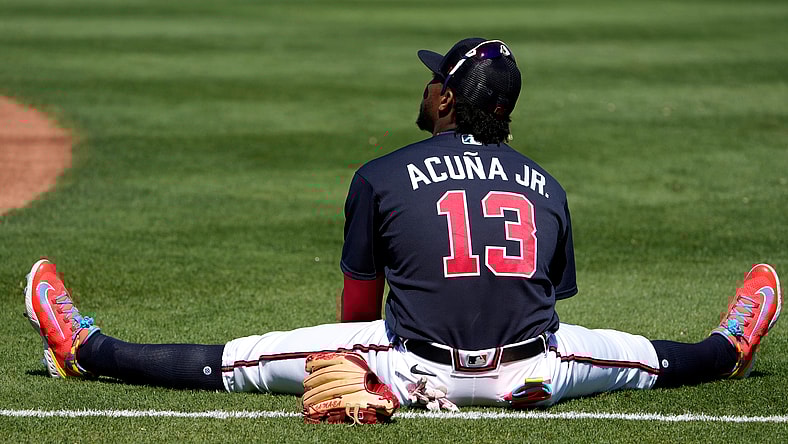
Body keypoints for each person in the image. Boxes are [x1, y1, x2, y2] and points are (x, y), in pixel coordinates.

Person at [25, 38, 782, 411]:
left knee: (235, 361)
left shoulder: (383, 174)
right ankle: (734, 344)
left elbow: (358, 312)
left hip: (407, 367)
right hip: (539, 373)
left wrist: (352, 362)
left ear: (448, 101)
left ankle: (85, 348)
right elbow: (544, 301)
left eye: (433, 80)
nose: (425, 88)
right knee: (659, 357)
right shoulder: (546, 185)